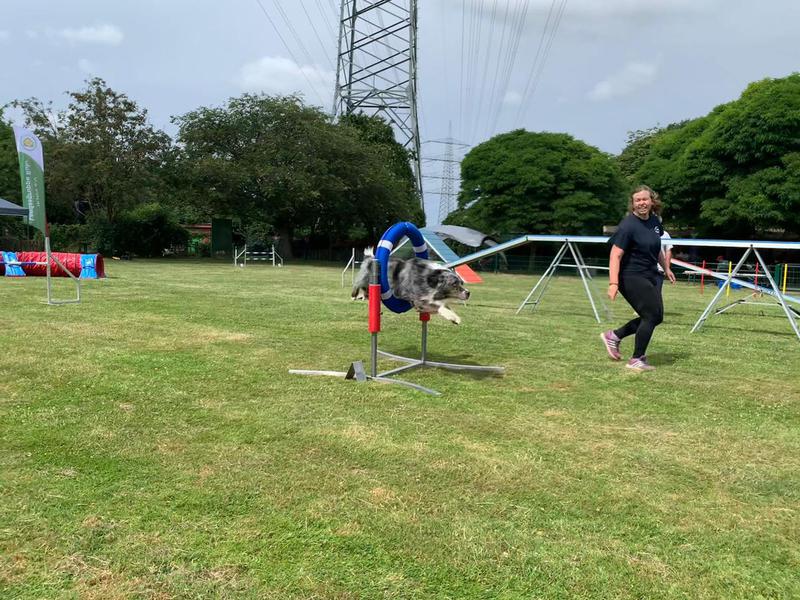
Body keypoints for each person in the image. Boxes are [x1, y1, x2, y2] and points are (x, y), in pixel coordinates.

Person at [600, 185, 675, 371]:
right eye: (638, 200)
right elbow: (615, 255)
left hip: (650, 273)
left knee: (655, 317)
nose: (642, 203)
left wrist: (666, 268)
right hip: (631, 275)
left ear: (651, 201)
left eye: (645, 199)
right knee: (651, 316)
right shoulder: (628, 226)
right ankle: (636, 359)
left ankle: (614, 336)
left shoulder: (654, 222)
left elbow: (656, 248)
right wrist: (613, 283)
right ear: (632, 204)